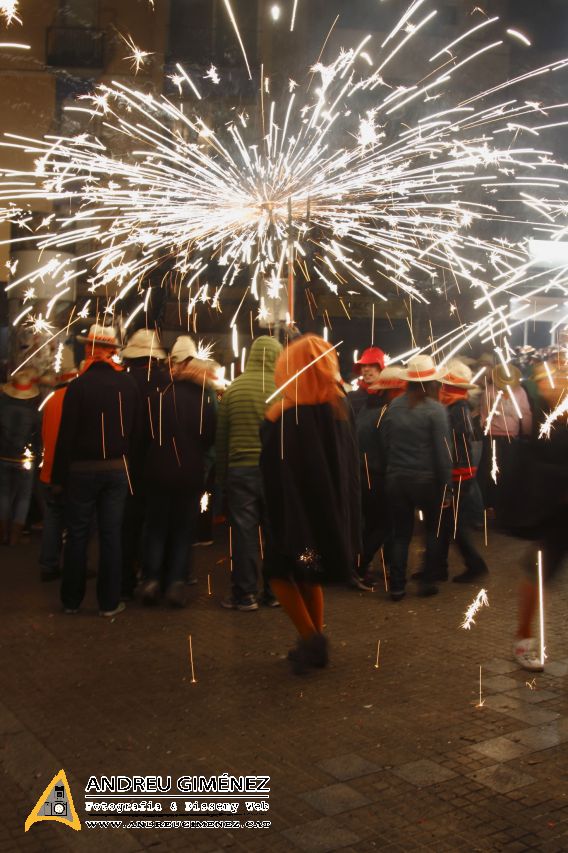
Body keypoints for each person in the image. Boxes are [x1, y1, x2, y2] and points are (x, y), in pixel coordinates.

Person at [260, 334, 361, 673]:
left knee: (278, 571)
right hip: (322, 525)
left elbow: (277, 478)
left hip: (293, 524)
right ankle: (314, 639)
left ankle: (311, 639)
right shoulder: (338, 410)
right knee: (309, 571)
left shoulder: (286, 419)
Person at [51, 324, 139, 617]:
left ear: (90, 350)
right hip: (116, 469)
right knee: (111, 535)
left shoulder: (77, 387)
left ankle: (71, 601)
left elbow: (66, 436)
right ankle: (109, 602)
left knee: (77, 535)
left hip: (80, 471)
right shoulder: (128, 386)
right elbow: (135, 432)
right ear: (113, 352)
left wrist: (57, 478)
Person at [138, 341, 216, 608]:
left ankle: (151, 580)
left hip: (157, 471)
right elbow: (209, 438)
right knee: (183, 530)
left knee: (156, 528)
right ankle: (175, 584)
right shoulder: (203, 400)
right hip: (190, 473)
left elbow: (144, 437)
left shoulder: (157, 395)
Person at [504, 361, 568, 671]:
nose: (557, 383)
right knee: (537, 572)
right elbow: (533, 465)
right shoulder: (539, 418)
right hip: (553, 512)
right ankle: (524, 638)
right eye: (551, 378)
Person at [216, 335, 283, 611]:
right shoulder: (284, 389)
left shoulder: (235, 389)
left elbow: (222, 438)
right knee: (275, 533)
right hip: (275, 472)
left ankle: (245, 595)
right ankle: (276, 592)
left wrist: (221, 478)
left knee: (244, 534)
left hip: (240, 470)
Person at [380, 355, 452, 601]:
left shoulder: (394, 406)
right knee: (432, 531)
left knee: (401, 534)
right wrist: (447, 488)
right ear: (432, 383)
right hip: (427, 481)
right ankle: (427, 582)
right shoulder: (436, 410)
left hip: (397, 479)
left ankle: (397, 586)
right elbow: (443, 453)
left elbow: (385, 442)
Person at [120, 328, 168, 599]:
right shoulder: (165, 382)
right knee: (156, 523)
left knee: (127, 524)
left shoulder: (123, 382)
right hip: (159, 462)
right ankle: (153, 577)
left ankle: (125, 581)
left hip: (127, 463)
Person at [354, 365, 406, 588]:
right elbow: (389, 449)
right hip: (378, 476)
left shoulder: (367, 407)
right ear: (393, 391)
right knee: (383, 525)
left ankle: (361, 565)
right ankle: (359, 567)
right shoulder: (388, 413)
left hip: (362, 474)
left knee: (371, 524)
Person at [438, 360, 489, 583]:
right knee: (446, 523)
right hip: (459, 472)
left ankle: (475, 565)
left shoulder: (457, 408)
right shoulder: (456, 406)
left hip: (459, 474)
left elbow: (457, 443)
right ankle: (437, 568)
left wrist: (449, 474)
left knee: (453, 525)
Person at [38, 347, 78, 581]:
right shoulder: (76, 400)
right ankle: (73, 565)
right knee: (77, 522)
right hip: (68, 472)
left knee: (52, 519)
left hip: (48, 470)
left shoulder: (51, 401)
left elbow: (44, 435)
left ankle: (48, 563)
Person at [478, 364, 532, 521]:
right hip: (494, 437)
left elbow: (526, 413)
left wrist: (526, 433)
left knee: (502, 473)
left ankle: (499, 506)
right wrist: (527, 434)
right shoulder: (491, 391)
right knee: (496, 473)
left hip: (503, 437)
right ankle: (493, 506)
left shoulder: (516, 391)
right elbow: (526, 413)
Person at [0, 369, 41, 545]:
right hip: (26, 459)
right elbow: (38, 438)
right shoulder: (34, 413)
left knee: (4, 495)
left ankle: (2, 533)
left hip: (3, 456)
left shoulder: (3, 408)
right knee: (24, 497)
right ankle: (15, 536)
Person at [349, 346, 385, 416]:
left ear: (381, 368)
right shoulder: (351, 398)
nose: (366, 369)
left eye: (371, 365)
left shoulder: (390, 396)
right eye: (363, 365)